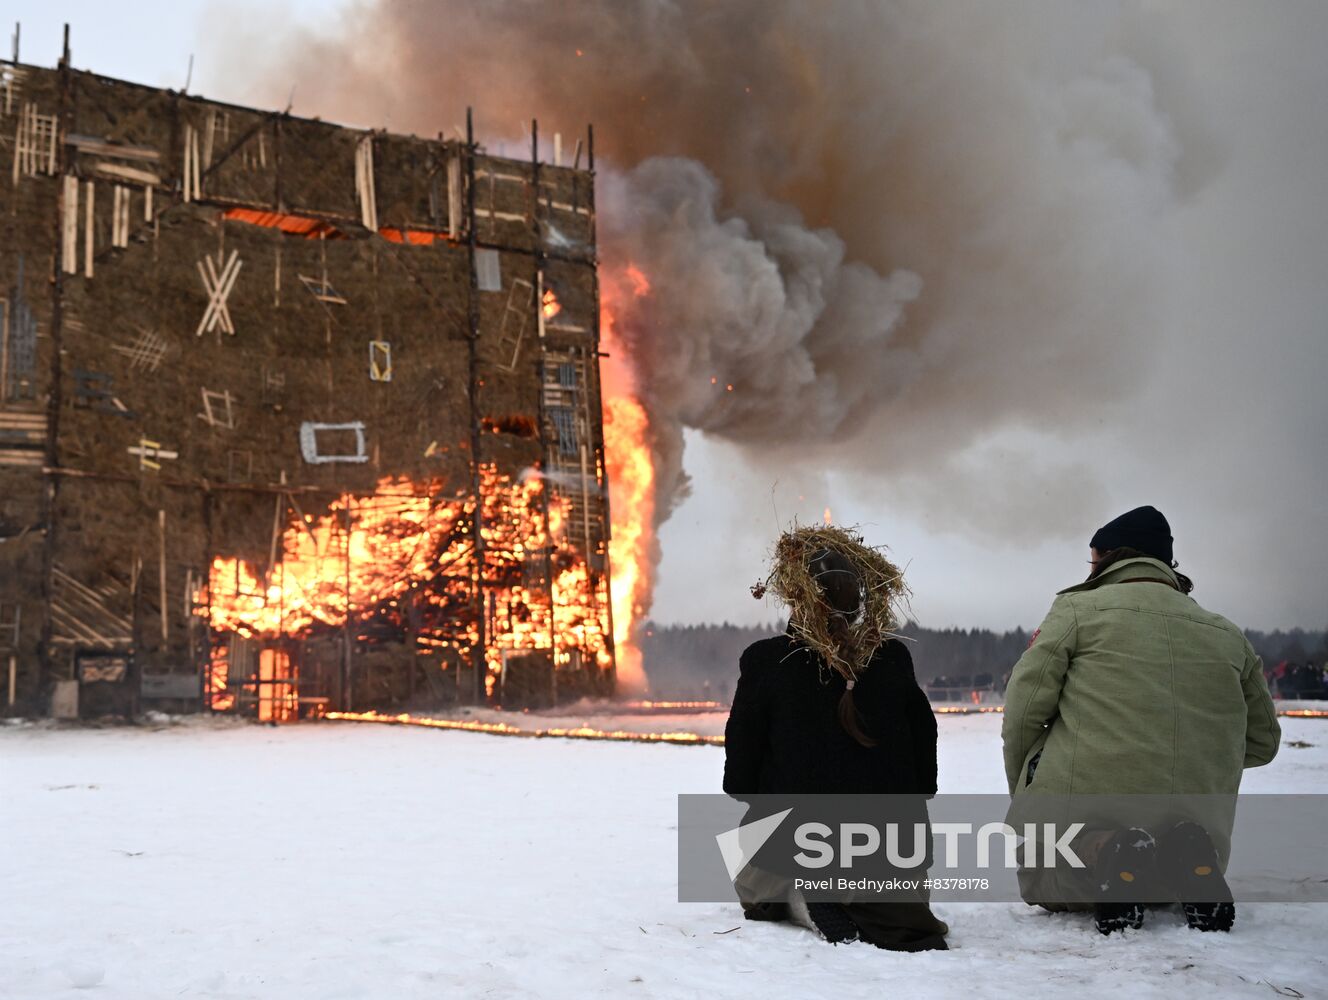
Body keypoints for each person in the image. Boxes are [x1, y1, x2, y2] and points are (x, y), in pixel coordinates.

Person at [1002, 505, 1281, 935]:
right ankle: (1179, 850)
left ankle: (1107, 847)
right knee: (1167, 866)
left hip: (1084, 853)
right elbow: (1263, 742)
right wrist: (1204, 755)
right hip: (1190, 839)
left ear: (1111, 557)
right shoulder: (1228, 634)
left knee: (1046, 874)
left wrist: (1027, 784)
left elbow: (1024, 711)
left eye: (1093, 559)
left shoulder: (1076, 611)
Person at [724, 529, 948, 951]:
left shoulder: (766, 661)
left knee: (752, 889)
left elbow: (738, 782)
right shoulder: (894, 658)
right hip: (898, 857)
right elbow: (926, 776)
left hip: (805, 848)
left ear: (796, 594)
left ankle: (803, 899)